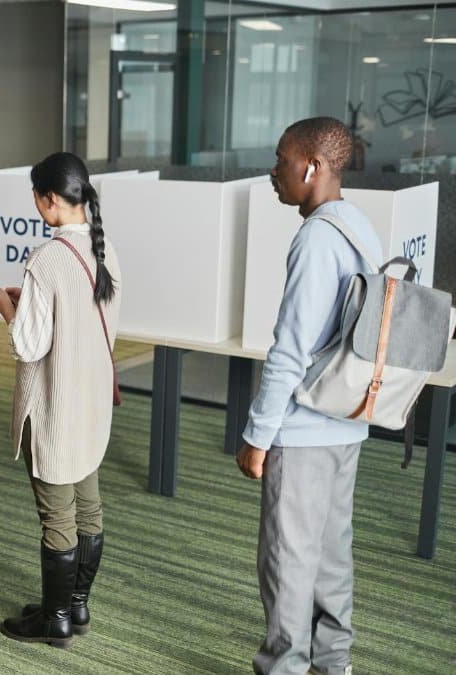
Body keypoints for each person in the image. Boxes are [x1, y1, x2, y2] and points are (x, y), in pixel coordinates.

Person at [236, 117, 382, 675]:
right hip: (346, 418)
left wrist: (258, 436)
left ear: (312, 166)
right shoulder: (356, 225)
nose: (274, 171)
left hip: (303, 430)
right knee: (329, 553)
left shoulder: (317, 239)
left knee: (287, 562)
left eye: (281, 159)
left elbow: (290, 350)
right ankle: (333, 663)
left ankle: (286, 669)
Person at [0, 152, 121, 648]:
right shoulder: (104, 250)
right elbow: (79, 320)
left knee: (57, 516)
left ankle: (55, 621)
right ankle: (75, 606)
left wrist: (4, 306)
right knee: (88, 508)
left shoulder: (46, 259)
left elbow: (28, 345)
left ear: (50, 199)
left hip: (54, 409)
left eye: (36, 197)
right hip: (90, 404)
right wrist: (28, 302)